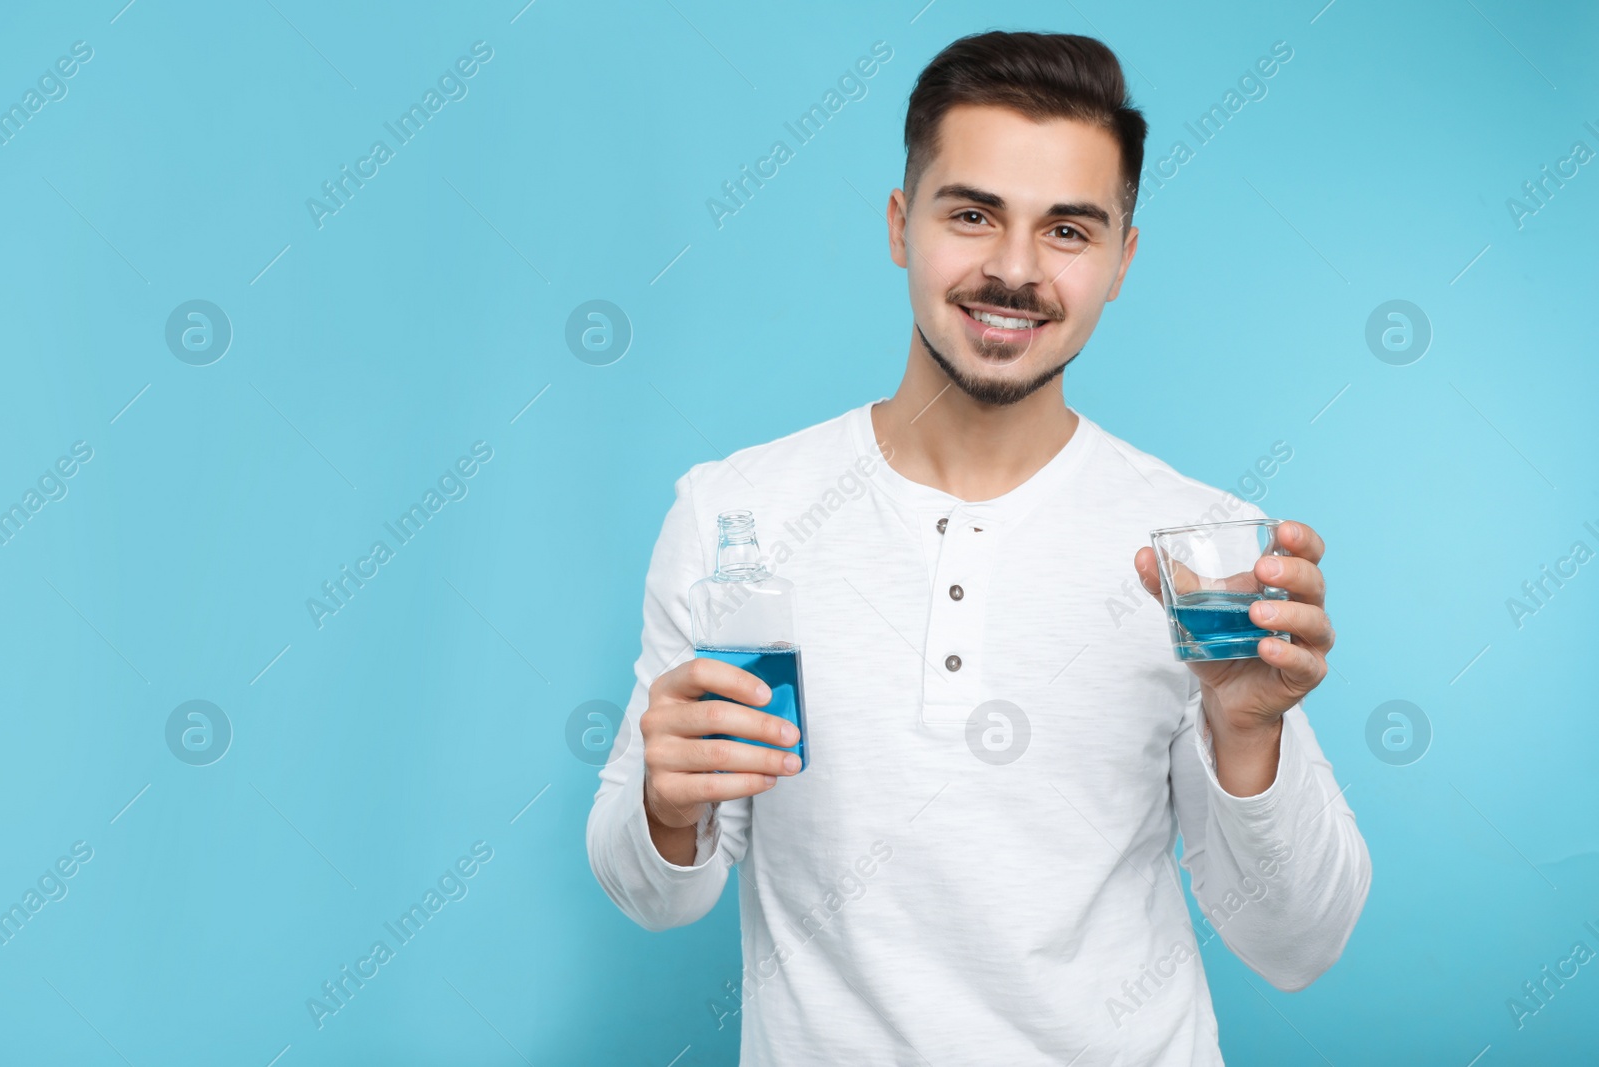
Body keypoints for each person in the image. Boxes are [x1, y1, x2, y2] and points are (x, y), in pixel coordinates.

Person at [587, 30, 1370, 1066]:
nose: (1013, 269)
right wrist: (665, 799)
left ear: (1122, 261)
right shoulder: (738, 514)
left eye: (1068, 230)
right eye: (972, 214)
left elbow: (1298, 944)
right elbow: (654, 893)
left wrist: (1246, 736)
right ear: (900, 225)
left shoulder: (1198, 552)